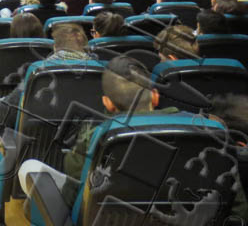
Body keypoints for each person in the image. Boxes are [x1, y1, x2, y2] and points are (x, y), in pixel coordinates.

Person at [18, 56, 248, 220]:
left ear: (107, 103)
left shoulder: (98, 134)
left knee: (30, 168)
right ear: (155, 96)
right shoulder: (208, 130)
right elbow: (235, 202)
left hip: (107, 219)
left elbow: (73, 178)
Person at [0, 23, 94, 130]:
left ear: (55, 48)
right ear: (86, 48)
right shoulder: (101, 72)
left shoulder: (39, 73)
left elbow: (4, 113)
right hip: (87, 137)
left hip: (40, 137)